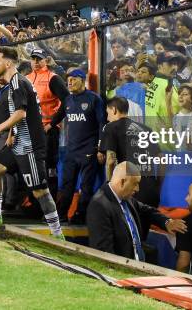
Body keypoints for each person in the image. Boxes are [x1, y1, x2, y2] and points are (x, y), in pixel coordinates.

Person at [0, 47, 64, 240]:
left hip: (29, 145)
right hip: (19, 141)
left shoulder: (18, 83)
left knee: (40, 190)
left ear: (8, 63)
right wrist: (11, 133)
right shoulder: (15, 82)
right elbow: (21, 113)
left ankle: (57, 233)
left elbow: (21, 113)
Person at [87, 162, 186, 262]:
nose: (138, 189)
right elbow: (104, 254)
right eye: (135, 184)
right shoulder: (99, 205)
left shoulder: (125, 198)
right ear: (122, 182)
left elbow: (148, 211)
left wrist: (167, 222)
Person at [50, 68, 105, 223]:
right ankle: (61, 215)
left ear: (82, 79)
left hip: (89, 149)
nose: (70, 82)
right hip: (71, 150)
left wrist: (101, 147)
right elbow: (60, 114)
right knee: (67, 184)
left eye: (73, 79)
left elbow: (102, 122)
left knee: (86, 185)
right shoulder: (68, 100)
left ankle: (80, 215)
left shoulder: (94, 99)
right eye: (68, 80)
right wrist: (50, 125)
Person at [100, 97, 161, 207]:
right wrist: (158, 184)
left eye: (107, 113)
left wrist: (110, 187)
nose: (108, 118)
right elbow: (162, 159)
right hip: (151, 192)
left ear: (114, 110)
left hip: (129, 191)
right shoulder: (146, 129)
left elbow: (110, 161)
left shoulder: (111, 127)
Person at [26, 48, 68, 197]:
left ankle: (52, 202)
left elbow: (67, 102)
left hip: (48, 130)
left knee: (49, 167)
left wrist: (52, 123)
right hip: (30, 130)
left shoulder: (53, 78)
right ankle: (34, 201)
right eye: (33, 59)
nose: (36, 62)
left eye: (39, 59)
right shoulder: (27, 78)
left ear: (46, 60)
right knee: (32, 166)